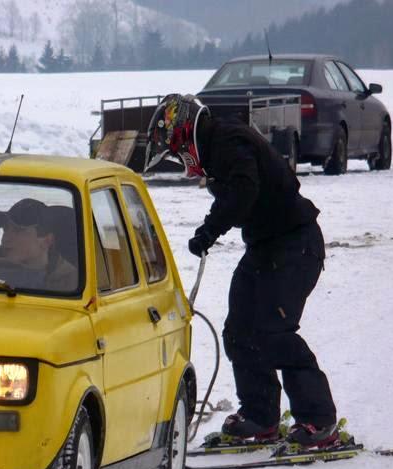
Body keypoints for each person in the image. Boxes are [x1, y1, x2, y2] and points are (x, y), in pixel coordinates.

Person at [145, 94, 338, 448]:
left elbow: (244, 190)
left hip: (296, 245)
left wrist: (210, 230)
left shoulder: (228, 142)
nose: (180, 160)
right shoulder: (219, 147)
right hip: (265, 247)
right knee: (239, 330)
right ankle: (260, 415)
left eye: (176, 152)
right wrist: (210, 227)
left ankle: (319, 419)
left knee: (273, 331)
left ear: (186, 135)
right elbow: (235, 194)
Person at [0, 198, 77, 291]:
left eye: (18, 230)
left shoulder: (72, 283)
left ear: (47, 241)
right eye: (5, 229)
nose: (6, 238)